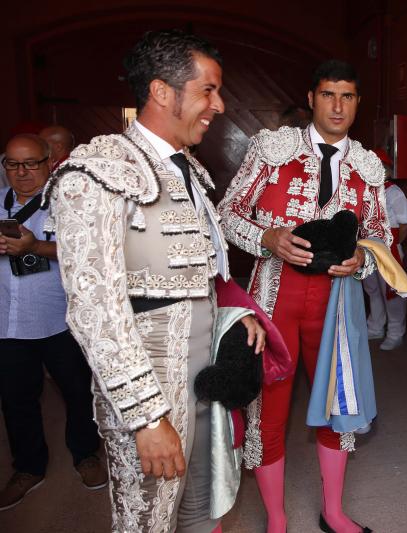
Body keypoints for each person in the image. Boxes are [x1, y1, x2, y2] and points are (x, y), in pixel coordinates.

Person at [46, 29, 267, 532]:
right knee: (147, 518)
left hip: (202, 376)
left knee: (197, 507)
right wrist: (146, 417)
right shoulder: (97, 171)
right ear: (162, 92)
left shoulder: (188, 169)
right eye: (208, 89)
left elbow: (195, 279)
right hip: (150, 389)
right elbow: (94, 308)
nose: (220, 104)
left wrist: (235, 316)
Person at [219, 59, 390, 533]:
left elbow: (381, 234)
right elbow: (228, 212)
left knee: (338, 405)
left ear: (357, 103)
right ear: (312, 98)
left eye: (349, 96)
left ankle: (333, 511)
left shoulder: (367, 165)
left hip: (337, 304)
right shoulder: (272, 149)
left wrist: (363, 256)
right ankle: (276, 518)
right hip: (275, 296)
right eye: (329, 94)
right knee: (269, 407)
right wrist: (267, 238)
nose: (338, 106)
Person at [0, 134, 107, 511]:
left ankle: (86, 455)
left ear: (49, 163)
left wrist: (34, 247)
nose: (22, 172)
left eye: (30, 163)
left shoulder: (68, 204)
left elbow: (91, 253)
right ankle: (29, 468)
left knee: (79, 392)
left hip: (60, 320)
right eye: (13, 164)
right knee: (16, 400)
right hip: (8, 324)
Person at [362, 148, 407, 350]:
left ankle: (395, 332)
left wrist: (391, 246)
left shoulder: (394, 192)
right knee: (372, 289)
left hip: (388, 247)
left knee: (392, 290)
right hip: (366, 246)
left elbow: (405, 223)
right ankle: (375, 327)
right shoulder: (364, 189)